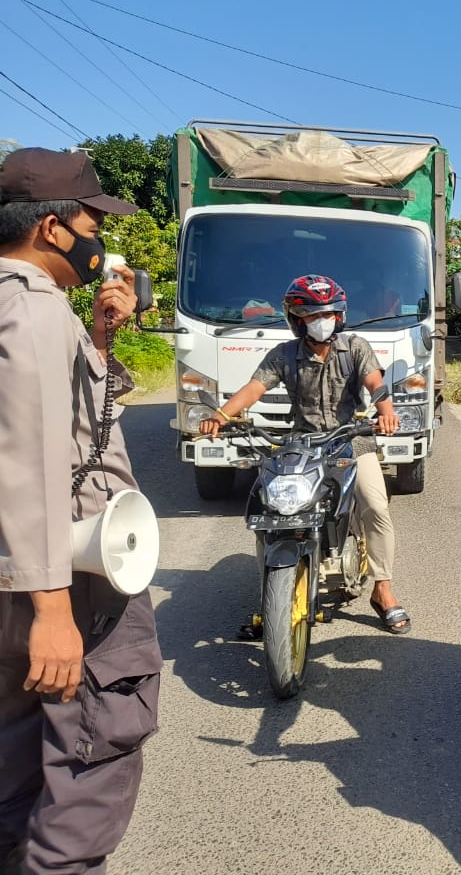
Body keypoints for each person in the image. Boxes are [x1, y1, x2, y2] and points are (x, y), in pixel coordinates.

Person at [0, 148, 161, 874]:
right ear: (54, 230)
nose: (101, 238)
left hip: (27, 569)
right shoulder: (29, 309)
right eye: (93, 220)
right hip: (68, 574)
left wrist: (101, 340)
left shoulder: (30, 307)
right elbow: (29, 459)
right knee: (92, 761)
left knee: (17, 760)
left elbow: (63, 422)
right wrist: (53, 609)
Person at [199, 274, 410, 633]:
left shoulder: (355, 347)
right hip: (303, 443)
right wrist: (220, 416)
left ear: (339, 316)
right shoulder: (283, 354)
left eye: (327, 313)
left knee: (375, 504)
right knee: (271, 511)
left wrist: (386, 411)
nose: (320, 321)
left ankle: (383, 589)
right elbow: (253, 388)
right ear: (297, 320)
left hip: (351, 439)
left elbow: (375, 382)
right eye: (311, 315)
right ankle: (271, 601)